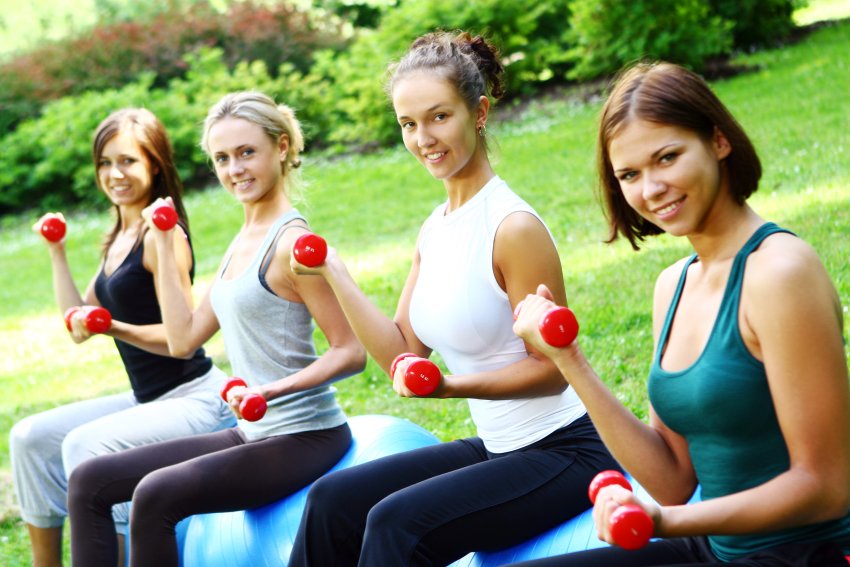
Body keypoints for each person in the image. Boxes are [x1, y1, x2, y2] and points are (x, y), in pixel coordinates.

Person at [286, 31, 618, 567]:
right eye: (408, 124)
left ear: (479, 111)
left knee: (395, 525)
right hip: (499, 446)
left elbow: (555, 370)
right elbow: (403, 354)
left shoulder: (512, 228)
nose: (423, 138)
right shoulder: (435, 229)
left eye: (439, 117)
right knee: (333, 501)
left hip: (567, 449)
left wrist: (451, 388)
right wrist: (335, 273)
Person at [509, 62, 850, 566]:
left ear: (718, 141)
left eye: (667, 158)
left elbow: (826, 488)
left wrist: (662, 523)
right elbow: (672, 481)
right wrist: (568, 359)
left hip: (807, 554)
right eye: (629, 174)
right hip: (714, 546)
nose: (651, 189)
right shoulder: (673, 285)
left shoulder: (779, 273)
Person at [66, 91, 366, 566]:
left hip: (305, 435)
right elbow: (183, 339)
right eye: (222, 158)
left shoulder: (293, 243)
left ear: (282, 147)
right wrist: (161, 245)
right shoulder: (241, 241)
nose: (235, 169)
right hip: (253, 430)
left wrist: (271, 391)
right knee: (90, 480)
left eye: (247, 152)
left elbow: (350, 352)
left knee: (155, 495)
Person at [11, 108, 235, 567]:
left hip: (196, 399)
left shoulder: (162, 235)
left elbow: (184, 338)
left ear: (154, 165)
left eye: (128, 161)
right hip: (149, 398)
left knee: (82, 445)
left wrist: (113, 326)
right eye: (106, 162)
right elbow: (78, 325)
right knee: (29, 436)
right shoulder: (119, 235)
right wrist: (57, 253)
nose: (115, 174)